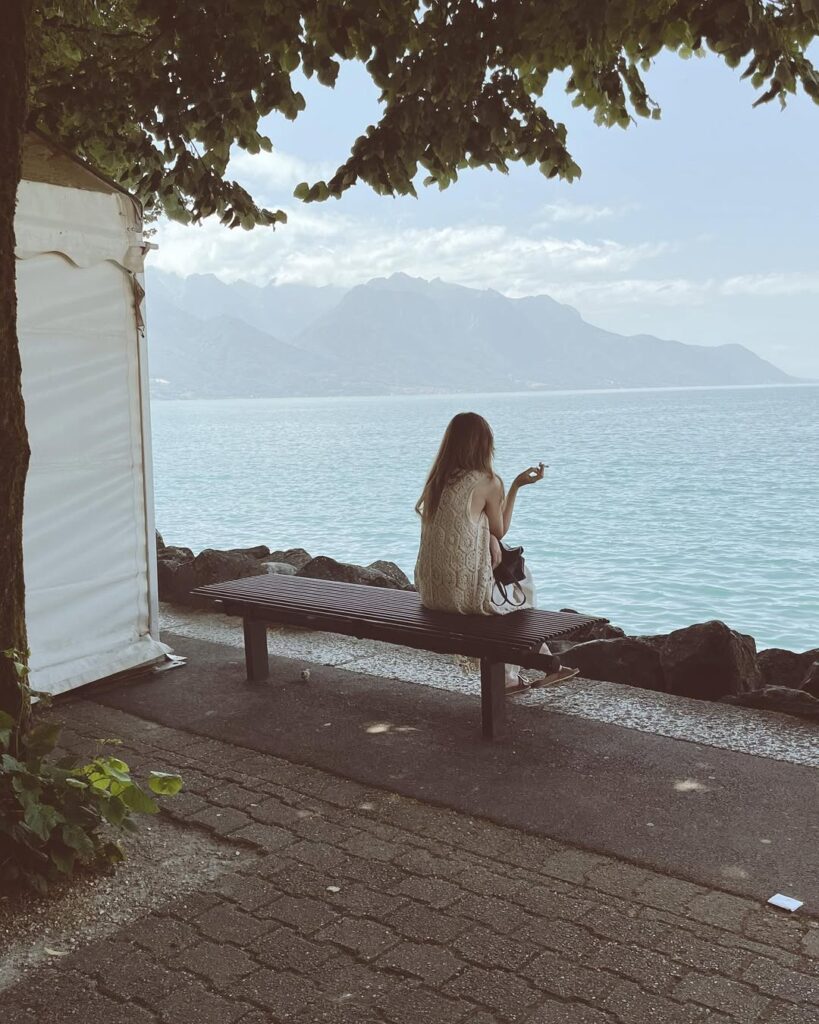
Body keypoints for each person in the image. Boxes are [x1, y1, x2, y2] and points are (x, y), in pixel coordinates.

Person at [414, 411, 579, 693]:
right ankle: (511, 679)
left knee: (508, 593)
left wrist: (489, 537)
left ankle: (547, 668)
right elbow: (501, 529)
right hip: (461, 596)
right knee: (520, 586)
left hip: (431, 593)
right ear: (483, 444)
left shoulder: (437, 481)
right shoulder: (488, 481)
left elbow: (463, 527)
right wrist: (515, 486)